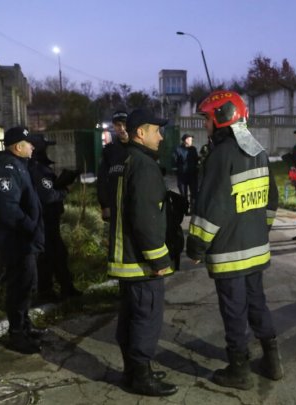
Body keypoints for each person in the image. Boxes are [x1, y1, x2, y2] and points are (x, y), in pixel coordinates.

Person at [186, 90, 282, 390]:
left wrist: (196, 246)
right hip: (256, 250)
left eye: (207, 119)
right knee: (258, 304)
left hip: (229, 253)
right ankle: (271, 361)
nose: (206, 126)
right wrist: (260, 231)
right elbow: (272, 201)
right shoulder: (259, 151)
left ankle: (239, 371)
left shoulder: (220, 156)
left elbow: (210, 209)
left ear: (221, 117)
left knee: (234, 310)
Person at [106, 109, 178, 396]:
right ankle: (141, 378)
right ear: (140, 133)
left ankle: (132, 371)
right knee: (146, 318)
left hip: (126, 259)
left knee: (130, 316)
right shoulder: (144, 165)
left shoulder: (125, 160)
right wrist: (159, 258)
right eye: (156, 130)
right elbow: (144, 217)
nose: (160, 136)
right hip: (141, 261)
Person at [0, 126, 45, 354]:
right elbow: (9, 209)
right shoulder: (8, 168)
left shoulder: (19, 166)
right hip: (16, 241)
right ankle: (17, 335)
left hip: (24, 240)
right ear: (18, 146)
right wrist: (31, 228)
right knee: (19, 287)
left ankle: (25, 326)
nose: (33, 147)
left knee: (27, 285)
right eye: (29, 144)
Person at [28, 134, 82, 301]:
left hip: (48, 219)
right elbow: (48, 196)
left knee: (58, 254)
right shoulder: (38, 169)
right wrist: (64, 190)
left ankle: (66, 289)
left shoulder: (38, 167)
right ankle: (47, 293)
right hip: (45, 220)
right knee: (49, 256)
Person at [97, 110, 129, 221]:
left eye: (125, 124)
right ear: (114, 127)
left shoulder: (138, 148)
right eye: (118, 125)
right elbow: (102, 178)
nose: (122, 128)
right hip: (116, 204)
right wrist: (104, 205)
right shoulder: (109, 151)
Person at [173, 133, 199, 214]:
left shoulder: (193, 149)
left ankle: (193, 210)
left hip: (192, 175)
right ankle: (185, 210)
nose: (191, 141)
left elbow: (196, 159)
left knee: (194, 193)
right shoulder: (178, 149)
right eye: (190, 139)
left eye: (191, 139)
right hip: (182, 176)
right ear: (185, 140)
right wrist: (178, 170)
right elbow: (174, 161)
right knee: (183, 195)